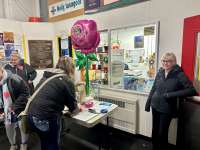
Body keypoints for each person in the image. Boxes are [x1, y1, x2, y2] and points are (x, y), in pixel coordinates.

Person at [145, 52, 197, 150]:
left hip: (166, 108)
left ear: (174, 62)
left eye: (168, 61)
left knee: (162, 133)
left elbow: (191, 90)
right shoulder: (160, 71)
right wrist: (148, 103)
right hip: (155, 105)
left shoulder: (179, 74)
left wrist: (170, 95)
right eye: (164, 61)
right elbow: (154, 88)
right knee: (155, 131)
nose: (165, 63)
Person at [27, 56, 79, 150]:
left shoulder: (47, 76)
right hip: (45, 118)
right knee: (52, 144)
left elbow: (50, 94)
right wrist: (76, 109)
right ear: (71, 68)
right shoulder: (67, 80)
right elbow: (73, 108)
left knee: (44, 141)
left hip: (31, 115)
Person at [0, 62, 29, 150]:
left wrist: (14, 107)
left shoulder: (14, 79)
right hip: (6, 110)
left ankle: (24, 143)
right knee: (9, 127)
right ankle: (13, 144)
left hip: (19, 108)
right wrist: (1, 110)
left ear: (1, 70)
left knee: (22, 126)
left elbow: (25, 93)